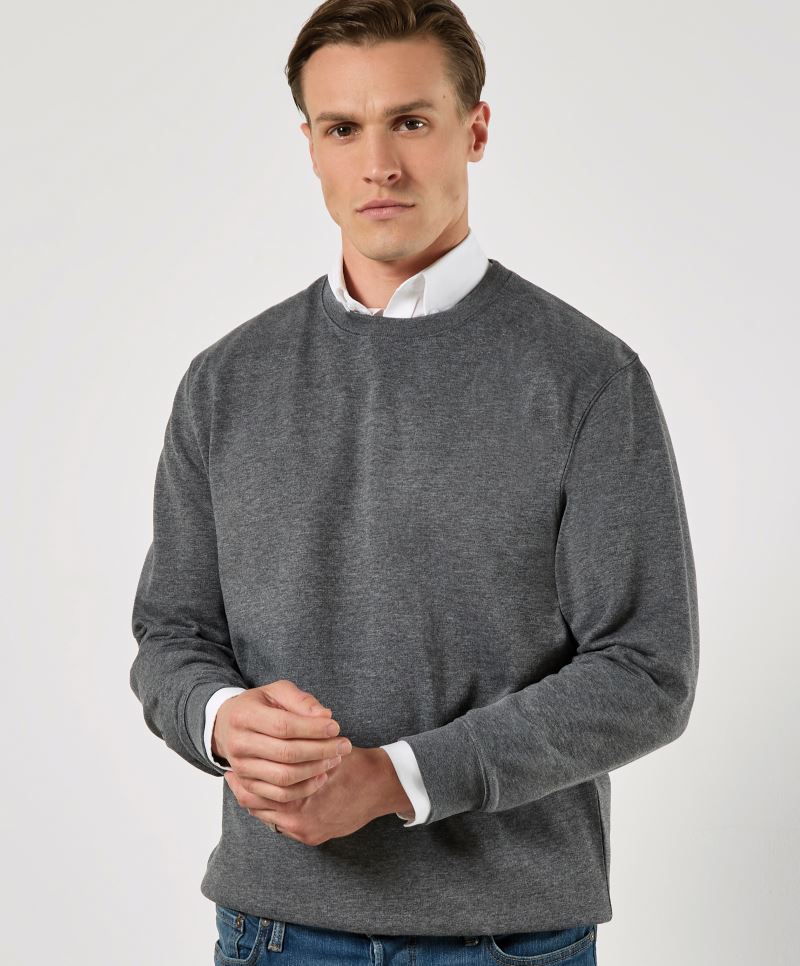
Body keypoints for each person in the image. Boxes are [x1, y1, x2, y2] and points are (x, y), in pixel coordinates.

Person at [129, 1, 699, 963]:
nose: (379, 164)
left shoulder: (588, 379)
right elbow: (171, 635)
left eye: (411, 121)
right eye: (342, 128)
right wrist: (223, 721)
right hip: (273, 930)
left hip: (507, 938)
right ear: (310, 147)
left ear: (475, 129)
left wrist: (399, 778)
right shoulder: (226, 380)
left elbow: (646, 671)